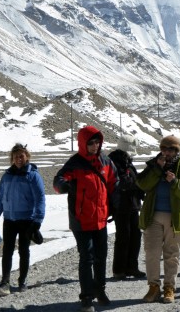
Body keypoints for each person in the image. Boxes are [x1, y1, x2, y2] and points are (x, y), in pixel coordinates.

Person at [53, 126, 118, 312]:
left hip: (100, 218)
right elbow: (58, 180)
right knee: (87, 258)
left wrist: (115, 204)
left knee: (101, 257)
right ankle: (87, 298)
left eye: (97, 142)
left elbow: (114, 182)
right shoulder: (75, 163)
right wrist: (63, 185)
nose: (95, 145)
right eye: (91, 143)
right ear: (83, 143)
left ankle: (100, 290)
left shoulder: (105, 161)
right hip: (81, 220)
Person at [136, 135, 180, 304]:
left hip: (175, 218)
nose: (166, 152)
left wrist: (175, 182)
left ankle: (169, 287)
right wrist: (157, 169)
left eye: (170, 149)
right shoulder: (153, 165)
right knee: (152, 252)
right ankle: (153, 287)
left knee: (171, 254)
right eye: (164, 149)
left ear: (177, 151)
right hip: (153, 216)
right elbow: (142, 184)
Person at [0, 143, 46, 296]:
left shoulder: (33, 175)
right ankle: (5, 282)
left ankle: (22, 281)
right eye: (16, 157)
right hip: (9, 219)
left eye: (21, 156)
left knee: (24, 250)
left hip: (26, 220)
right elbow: (0, 198)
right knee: (7, 251)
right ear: (12, 159)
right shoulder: (7, 176)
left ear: (27, 156)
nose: (19, 159)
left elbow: (40, 198)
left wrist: (38, 220)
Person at [107, 149, 145, 280]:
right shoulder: (115, 163)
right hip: (121, 206)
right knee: (124, 237)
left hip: (133, 205)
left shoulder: (128, 164)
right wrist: (136, 185)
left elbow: (135, 180)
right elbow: (122, 183)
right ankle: (119, 270)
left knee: (135, 236)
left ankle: (131, 267)